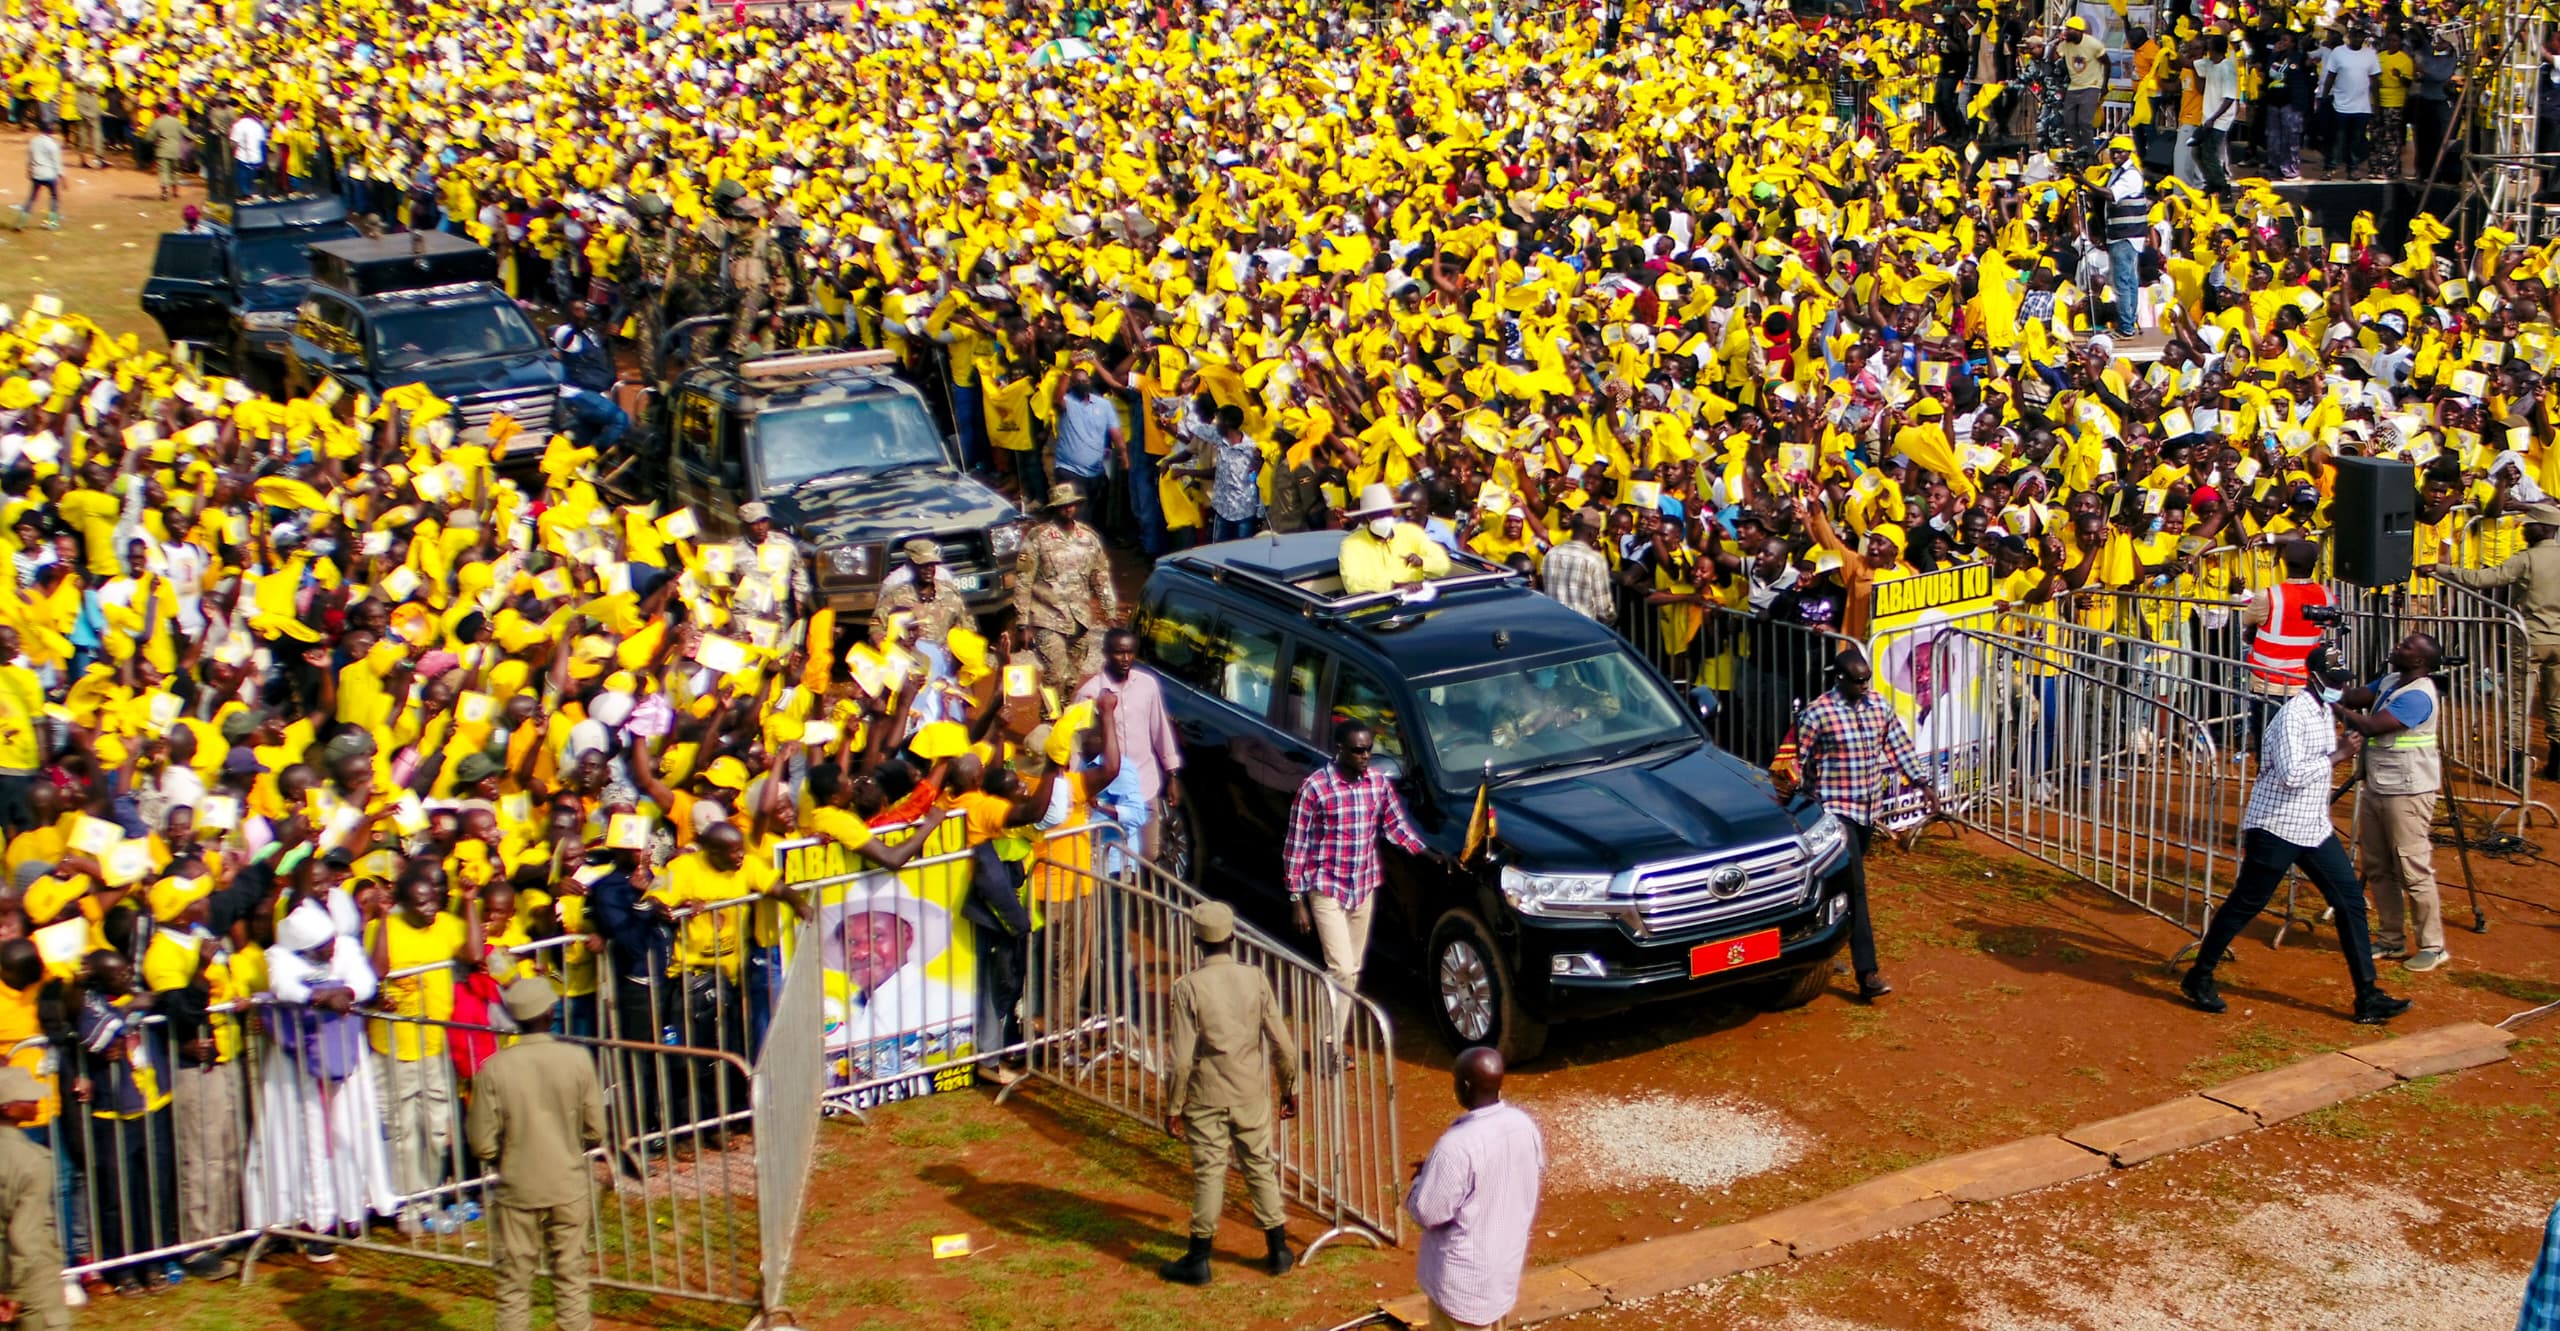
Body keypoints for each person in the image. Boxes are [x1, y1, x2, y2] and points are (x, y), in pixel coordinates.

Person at [2180, 645, 2412, 1024]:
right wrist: (2337, 756)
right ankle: (2199, 975)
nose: (2339, 687)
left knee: (2350, 900)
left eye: (2342, 681)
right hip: (2276, 825)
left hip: (2313, 826)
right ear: (2314, 677)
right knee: (2246, 903)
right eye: (2334, 680)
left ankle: (2367, 995)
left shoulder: (2324, 710)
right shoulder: (2294, 716)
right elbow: (2290, 776)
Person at [1158, 900, 1299, 1287]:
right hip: (1251, 1091)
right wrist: (1290, 1088)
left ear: (1196, 941)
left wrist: (1174, 1105)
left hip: (1206, 1096)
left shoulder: (1188, 988)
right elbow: (1283, 1045)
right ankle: (1279, 1250)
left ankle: (1199, 1258)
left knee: (1209, 1173)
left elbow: (1182, 1060)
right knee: (1260, 1166)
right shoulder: (1255, 978)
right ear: (1232, 938)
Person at [1793, 649, 1942, 1002]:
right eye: (1856, 681)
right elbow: (1797, 762)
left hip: (1866, 812)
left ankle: (1819, 949)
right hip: (1834, 811)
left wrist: (1922, 783)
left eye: (1866, 680)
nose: (1863, 686)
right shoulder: (1817, 714)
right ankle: (1868, 973)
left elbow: (1898, 746)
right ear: (1839, 678)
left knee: (1838, 889)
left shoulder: (1878, 705)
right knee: (1857, 890)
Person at [1286, 723, 1446, 1051]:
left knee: (1353, 969)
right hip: (1326, 886)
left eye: (1369, 749)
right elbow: (1297, 844)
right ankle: (1327, 1044)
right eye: (1358, 750)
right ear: (1340, 750)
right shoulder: (1315, 787)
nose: (1365, 755)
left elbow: (1394, 826)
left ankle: (1333, 1040)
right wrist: (1296, 897)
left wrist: (1429, 854)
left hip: (1364, 885)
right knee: (1340, 967)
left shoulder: (1377, 784)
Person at [466, 977, 606, 1331]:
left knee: (514, 1282)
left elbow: (481, 1142)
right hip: (568, 1182)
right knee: (571, 1273)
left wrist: (504, 1156)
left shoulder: (494, 1068)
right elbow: (596, 1130)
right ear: (549, 1013)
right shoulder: (577, 1058)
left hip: (517, 1186)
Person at [2332, 633, 2450, 973]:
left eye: (2407, 647)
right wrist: (2328, 684)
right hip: (2379, 785)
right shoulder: (2391, 680)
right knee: (2378, 866)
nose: (2397, 646)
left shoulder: (2418, 695)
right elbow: (2356, 696)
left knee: (2413, 869)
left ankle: (2432, 945)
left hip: (2408, 791)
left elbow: (2370, 726)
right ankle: (2390, 938)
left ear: (2420, 662)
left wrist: (2330, 705)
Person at [1407, 1047, 1544, 1331]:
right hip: (1501, 1274)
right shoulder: (1523, 1125)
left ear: (1465, 1085)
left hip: (1462, 1286)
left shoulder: (1455, 1147)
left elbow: (1428, 1212)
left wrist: (1420, 1183)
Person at [2435, 502, 2560, 781]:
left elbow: (2483, 579)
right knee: (2556, 702)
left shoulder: (2526, 559)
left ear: (2542, 529)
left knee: (2518, 703)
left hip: (2530, 638)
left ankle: (2514, 771)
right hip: (2559, 641)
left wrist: (2442, 570)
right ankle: (2557, 765)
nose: (2524, 529)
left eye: (2529, 525)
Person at [1072, 628, 1184, 868]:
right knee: (1113, 857)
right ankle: (1120, 896)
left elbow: (1160, 730)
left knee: (1150, 852)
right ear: (1105, 653)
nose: (1125, 659)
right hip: (1109, 792)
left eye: (1129, 653)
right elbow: (1077, 746)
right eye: (1118, 653)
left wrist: (1172, 774)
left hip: (1145, 784)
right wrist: (1082, 787)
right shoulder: (1089, 694)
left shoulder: (1148, 686)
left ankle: (1135, 894)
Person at [1015, 482, 1116, 687]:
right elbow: (1024, 580)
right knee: (1055, 674)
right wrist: (1022, 622)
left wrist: (1110, 612)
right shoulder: (1038, 538)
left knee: (1072, 679)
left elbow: (1100, 576)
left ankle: (1065, 715)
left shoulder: (1089, 539)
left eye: (1071, 504)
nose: (1068, 509)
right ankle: (1050, 718)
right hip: (1047, 616)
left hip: (1080, 618)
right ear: (1054, 508)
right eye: (1063, 505)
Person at [0, 1065, 66, 1331]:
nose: (37, 1101)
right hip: (30, 1276)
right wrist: (15, 1292)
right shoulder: (34, 1160)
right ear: (7, 1108)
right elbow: (25, 1234)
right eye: (27, 1098)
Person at [1338, 482, 1450, 596]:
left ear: (1393, 513)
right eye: (1377, 514)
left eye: (1387, 512)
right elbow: (1354, 584)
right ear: (1367, 517)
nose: (1383, 518)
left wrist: (1423, 562)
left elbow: (1443, 565)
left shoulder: (1411, 532)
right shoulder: (1351, 544)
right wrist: (1393, 586)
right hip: (1375, 610)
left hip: (1416, 608)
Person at [2095, 135, 2149, 339]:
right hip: (2122, 234)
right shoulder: (2116, 172)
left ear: (2128, 153)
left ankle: (2126, 326)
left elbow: (2111, 195)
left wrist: (2084, 183)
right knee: (2130, 280)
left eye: (2120, 152)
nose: (2115, 155)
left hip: (2126, 235)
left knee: (2122, 282)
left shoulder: (2131, 175)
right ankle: (2128, 323)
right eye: (2113, 151)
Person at [1540, 509, 1614, 622]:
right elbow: (1603, 610)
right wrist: (1613, 617)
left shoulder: (1551, 554)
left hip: (1553, 624)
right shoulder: (1594, 560)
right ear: (1591, 533)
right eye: (1597, 532)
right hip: (1582, 629)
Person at [2049, 17, 2109, 151]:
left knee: (2084, 122)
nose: (2066, 32)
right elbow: (2053, 58)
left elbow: (2107, 63)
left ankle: (2090, 153)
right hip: (2074, 86)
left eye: (2069, 29)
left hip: (2091, 86)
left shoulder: (2093, 44)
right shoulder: (2066, 44)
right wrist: (2055, 43)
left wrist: (2104, 85)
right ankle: (2079, 150)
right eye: (2066, 29)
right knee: (2069, 122)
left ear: (2078, 31)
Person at [15, 118, 59, 231]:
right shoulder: (53, 144)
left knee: (31, 198)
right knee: (54, 197)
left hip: (37, 174)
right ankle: (53, 223)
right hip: (50, 175)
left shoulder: (34, 141)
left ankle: (21, 223)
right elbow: (56, 163)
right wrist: (62, 177)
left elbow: (30, 158)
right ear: (51, 131)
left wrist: (29, 170)